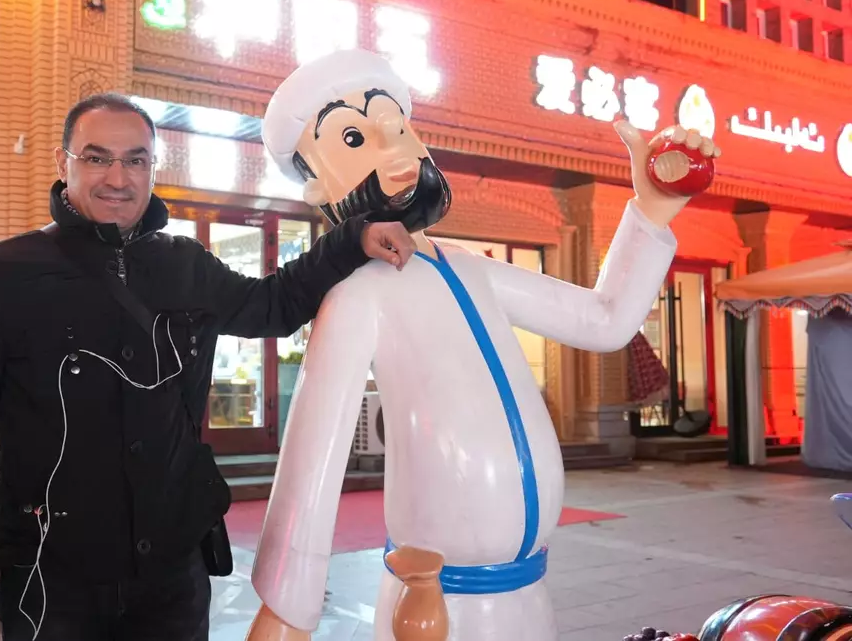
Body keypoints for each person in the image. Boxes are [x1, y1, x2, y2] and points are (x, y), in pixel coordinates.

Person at [242, 49, 718, 641]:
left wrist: (651, 211)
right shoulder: (356, 294)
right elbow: (312, 462)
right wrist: (286, 613)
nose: (393, 148)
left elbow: (603, 320)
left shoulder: (472, 268)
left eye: (397, 126)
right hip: (436, 607)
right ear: (317, 185)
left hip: (527, 595)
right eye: (354, 139)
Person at [0, 92, 418, 641]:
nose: (117, 178)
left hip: (173, 579)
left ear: (153, 168)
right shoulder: (2, 275)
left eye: (135, 160)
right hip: (51, 583)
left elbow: (274, 304)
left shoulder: (185, 264)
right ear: (63, 163)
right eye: (96, 158)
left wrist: (352, 239)